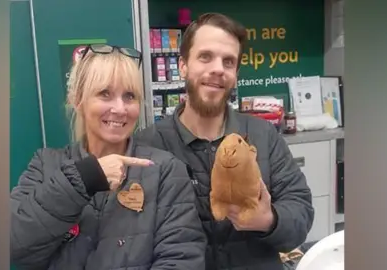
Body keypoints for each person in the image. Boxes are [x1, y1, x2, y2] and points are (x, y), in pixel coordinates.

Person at [134, 13, 315, 270]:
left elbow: (301, 214)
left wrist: (270, 220)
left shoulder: (263, 135)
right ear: (183, 65)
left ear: (236, 73)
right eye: (205, 57)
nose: (218, 68)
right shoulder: (149, 145)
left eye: (228, 61)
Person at [10, 44, 206, 270]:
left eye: (129, 96)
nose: (120, 109)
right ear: (78, 100)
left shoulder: (164, 170)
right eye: (105, 94)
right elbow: (16, 244)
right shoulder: (46, 164)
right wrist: (83, 180)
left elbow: (181, 259)